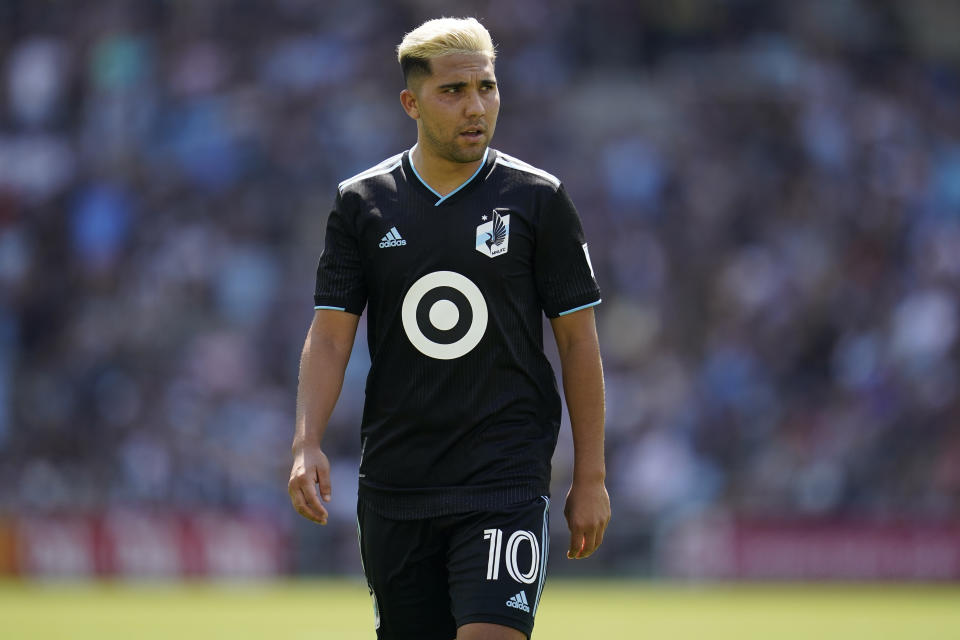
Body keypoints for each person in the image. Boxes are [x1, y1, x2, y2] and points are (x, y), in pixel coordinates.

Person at [288, 16, 610, 640]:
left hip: (505, 476)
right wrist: (306, 441)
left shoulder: (539, 200)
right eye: (454, 91)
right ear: (411, 102)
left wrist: (591, 477)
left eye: (486, 88)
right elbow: (330, 334)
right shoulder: (361, 202)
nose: (476, 107)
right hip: (397, 482)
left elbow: (578, 339)